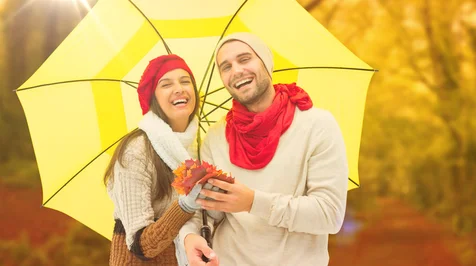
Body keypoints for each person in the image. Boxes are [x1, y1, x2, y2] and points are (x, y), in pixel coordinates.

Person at [181, 32, 349, 266]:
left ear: (266, 63)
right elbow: (204, 210)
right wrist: (189, 236)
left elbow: (329, 215)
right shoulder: (215, 137)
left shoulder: (317, 125)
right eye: (226, 67)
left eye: (245, 59)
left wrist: (253, 202)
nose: (236, 70)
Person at [103, 54, 218, 266]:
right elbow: (141, 245)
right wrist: (185, 205)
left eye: (185, 81)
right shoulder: (136, 150)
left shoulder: (202, 146)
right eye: (166, 84)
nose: (179, 89)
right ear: (153, 98)